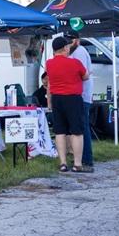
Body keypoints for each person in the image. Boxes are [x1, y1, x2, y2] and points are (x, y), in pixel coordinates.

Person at [45, 34, 90, 173]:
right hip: (73, 99)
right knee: (77, 132)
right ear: (65, 48)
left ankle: (63, 163)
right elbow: (86, 76)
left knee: (60, 131)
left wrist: (49, 101)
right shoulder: (75, 63)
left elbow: (50, 82)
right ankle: (77, 164)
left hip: (57, 98)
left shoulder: (49, 63)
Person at [67, 31, 95, 170]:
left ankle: (87, 160)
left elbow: (82, 74)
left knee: (83, 127)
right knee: (79, 127)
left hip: (82, 95)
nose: (68, 42)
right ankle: (80, 157)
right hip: (77, 94)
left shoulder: (80, 52)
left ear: (77, 40)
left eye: (70, 40)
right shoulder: (72, 52)